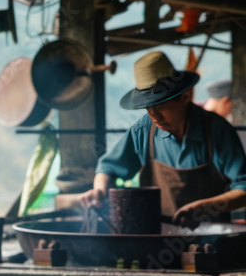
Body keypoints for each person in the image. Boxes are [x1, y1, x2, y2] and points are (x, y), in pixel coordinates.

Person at [79, 53, 246, 226]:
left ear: (184, 97)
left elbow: (244, 188)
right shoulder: (144, 129)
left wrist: (204, 208)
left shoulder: (216, 130)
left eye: (161, 107)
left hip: (211, 242)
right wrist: (98, 190)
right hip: (155, 239)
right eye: (148, 109)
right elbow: (108, 167)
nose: (154, 116)